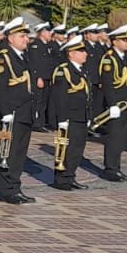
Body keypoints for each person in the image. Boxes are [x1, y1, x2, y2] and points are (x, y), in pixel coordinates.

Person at [0, 17, 37, 204]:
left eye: (26, 36)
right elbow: (0, 87)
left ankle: (14, 186)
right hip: (11, 114)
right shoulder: (4, 57)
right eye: (22, 36)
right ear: (10, 38)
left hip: (24, 112)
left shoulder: (22, 56)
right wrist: (6, 111)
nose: (26, 39)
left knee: (19, 152)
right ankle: (6, 190)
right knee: (7, 152)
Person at [48, 35, 94, 190]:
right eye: (81, 51)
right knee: (65, 149)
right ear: (71, 53)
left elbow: (86, 95)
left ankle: (70, 176)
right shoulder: (63, 71)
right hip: (69, 117)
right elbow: (59, 96)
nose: (85, 54)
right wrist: (61, 118)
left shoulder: (81, 70)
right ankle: (61, 179)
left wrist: (88, 116)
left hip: (81, 116)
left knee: (77, 150)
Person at [93, 24, 127, 182]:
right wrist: (112, 105)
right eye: (124, 40)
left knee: (121, 139)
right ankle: (110, 169)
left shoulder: (123, 58)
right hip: (116, 105)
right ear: (115, 41)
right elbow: (108, 84)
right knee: (114, 138)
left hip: (124, 104)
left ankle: (116, 167)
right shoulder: (109, 59)